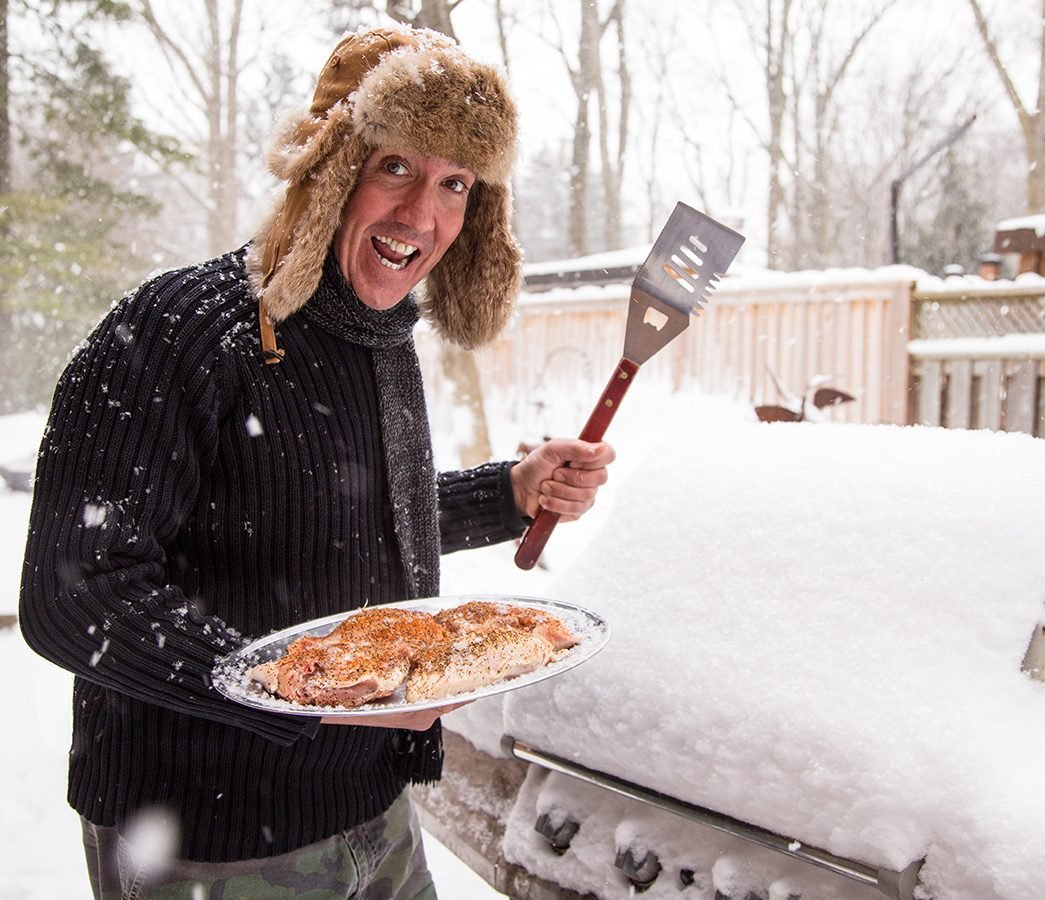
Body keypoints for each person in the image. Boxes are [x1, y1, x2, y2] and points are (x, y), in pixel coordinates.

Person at [18, 25, 614, 898]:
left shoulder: (379, 343)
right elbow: (76, 594)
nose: (423, 214)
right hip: (206, 833)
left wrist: (509, 493)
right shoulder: (178, 329)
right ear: (332, 167)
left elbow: (332, 514)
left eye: (455, 182)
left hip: (372, 810)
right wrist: (304, 692)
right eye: (397, 167)